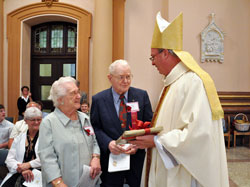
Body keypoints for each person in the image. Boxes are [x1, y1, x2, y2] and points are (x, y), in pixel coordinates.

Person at [130, 12, 229, 187]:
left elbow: (199, 135)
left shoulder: (193, 83)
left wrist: (157, 141)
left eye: (153, 57)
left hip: (182, 174)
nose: (152, 63)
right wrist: (150, 134)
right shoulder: (171, 83)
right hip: (166, 168)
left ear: (166, 53)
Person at [90, 60, 153, 187]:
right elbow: (95, 128)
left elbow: (149, 125)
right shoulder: (99, 100)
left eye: (128, 76)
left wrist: (138, 144)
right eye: (121, 77)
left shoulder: (141, 96)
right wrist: (108, 143)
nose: (126, 81)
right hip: (111, 161)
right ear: (110, 78)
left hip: (136, 161)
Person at [38, 76, 101, 187]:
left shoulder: (85, 118)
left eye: (78, 92)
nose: (79, 96)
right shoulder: (49, 123)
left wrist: (96, 157)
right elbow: (47, 158)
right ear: (60, 99)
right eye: (73, 93)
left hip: (89, 182)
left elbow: (94, 142)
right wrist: (58, 183)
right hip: (63, 183)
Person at [1, 107, 42, 187]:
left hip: (39, 173)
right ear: (26, 121)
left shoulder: (48, 137)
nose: (36, 122)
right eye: (33, 120)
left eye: (39, 119)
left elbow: (47, 159)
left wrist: (28, 165)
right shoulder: (19, 138)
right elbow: (9, 160)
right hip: (20, 171)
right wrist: (21, 168)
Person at [0, 104, 14, 182]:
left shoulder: (10, 126)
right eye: (1, 111)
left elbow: (13, 141)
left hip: (4, 153)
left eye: (4, 111)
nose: (4, 113)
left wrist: (1, 145)